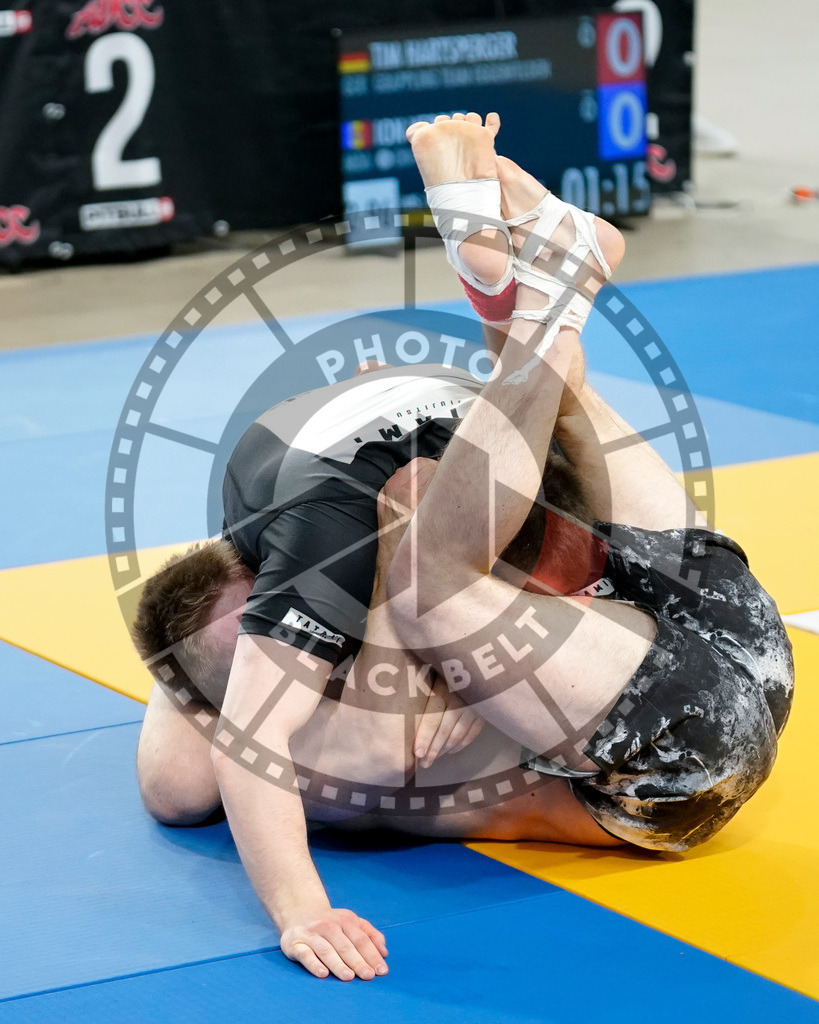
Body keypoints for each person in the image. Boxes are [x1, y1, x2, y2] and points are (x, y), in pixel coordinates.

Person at [130, 113, 793, 982]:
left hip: (686, 656)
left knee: (467, 523)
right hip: (680, 754)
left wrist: (303, 898)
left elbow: (228, 745)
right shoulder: (319, 536)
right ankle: (528, 284)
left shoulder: (343, 537)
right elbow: (209, 758)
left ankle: (540, 285)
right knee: (513, 451)